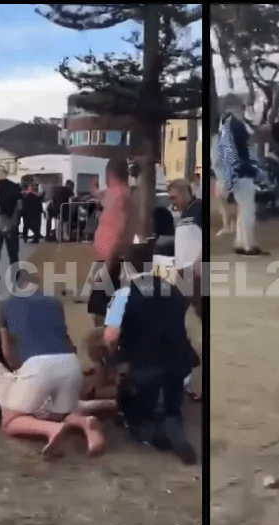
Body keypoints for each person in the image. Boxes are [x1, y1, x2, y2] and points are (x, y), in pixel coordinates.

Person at [103, 245, 198, 465]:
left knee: (136, 411)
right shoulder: (173, 289)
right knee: (168, 399)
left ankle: (150, 431)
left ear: (127, 267)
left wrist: (116, 356)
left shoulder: (123, 294)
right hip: (179, 368)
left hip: (146, 371)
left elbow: (110, 337)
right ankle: (171, 420)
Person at [0, 292, 108, 458]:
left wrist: (17, 370)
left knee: (10, 421)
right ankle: (85, 423)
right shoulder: (54, 302)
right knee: (60, 413)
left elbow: (7, 352)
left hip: (38, 365)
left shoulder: (5, 304)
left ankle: (51, 430)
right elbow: (66, 339)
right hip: (70, 362)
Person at [86, 158, 137, 326]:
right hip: (110, 260)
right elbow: (99, 194)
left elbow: (121, 231)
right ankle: (108, 341)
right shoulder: (117, 192)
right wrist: (93, 188)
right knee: (103, 308)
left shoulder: (120, 195)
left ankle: (106, 344)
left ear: (111, 174)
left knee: (101, 310)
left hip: (112, 260)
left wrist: (108, 265)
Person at [217, 93, 266, 256]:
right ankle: (249, 244)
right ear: (236, 105)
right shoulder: (236, 123)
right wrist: (262, 131)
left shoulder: (226, 124)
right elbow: (248, 141)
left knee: (243, 209)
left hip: (235, 172)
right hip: (242, 171)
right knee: (248, 209)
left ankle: (240, 242)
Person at [167, 179, 203, 322]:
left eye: (174, 197)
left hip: (195, 268)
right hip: (182, 270)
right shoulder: (184, 213)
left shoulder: (199, 207)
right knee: (178, 310)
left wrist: (200, 260)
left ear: (184, 194)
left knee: (199, 307)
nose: (172, 202)